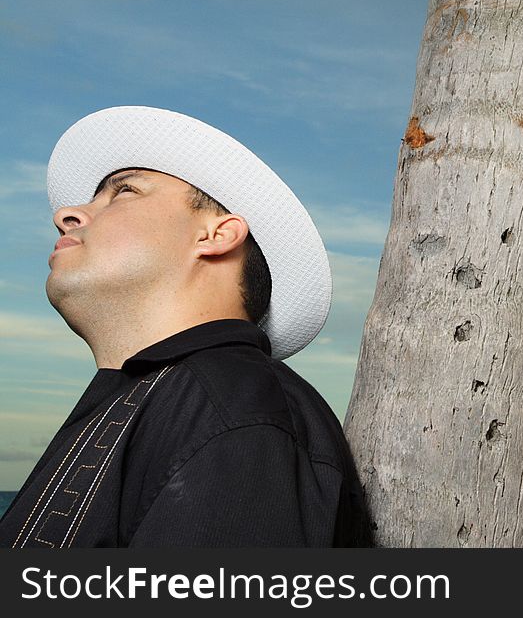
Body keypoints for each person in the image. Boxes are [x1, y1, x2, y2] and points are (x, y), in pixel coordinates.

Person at [0, 106, 370, 547]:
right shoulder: (178, 398)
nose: (66, 214)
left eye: (124, 191)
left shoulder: (231, 408)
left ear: (215, 236)